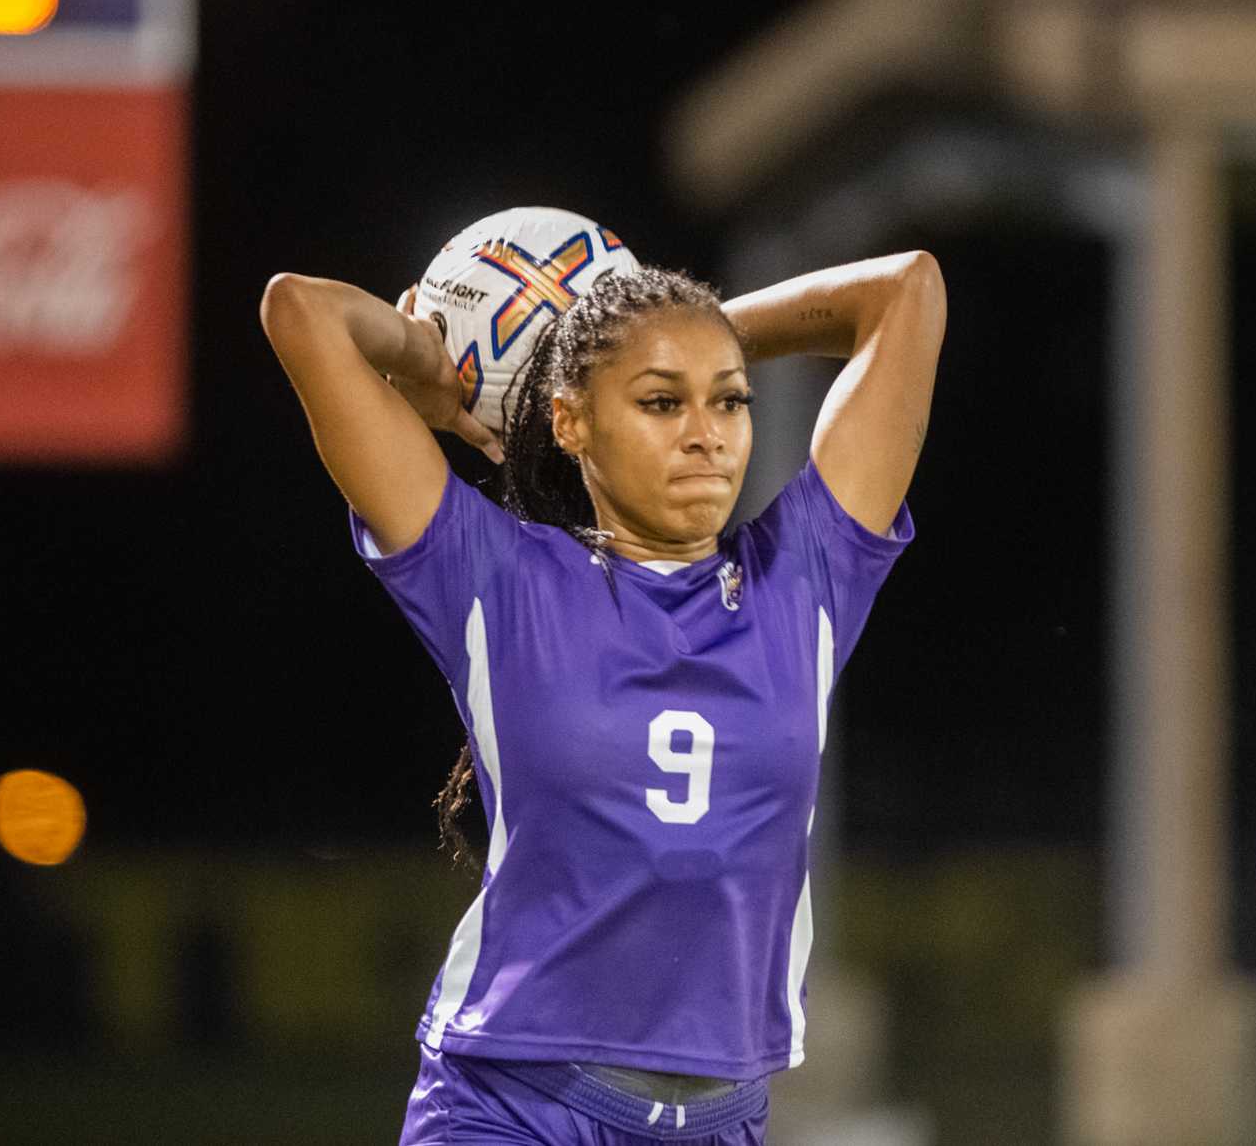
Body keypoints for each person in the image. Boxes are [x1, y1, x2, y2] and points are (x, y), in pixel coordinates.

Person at [260, 248, 944, 1145]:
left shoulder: (807, 578)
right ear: (570, 420)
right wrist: (429, 361)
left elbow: (907, 291)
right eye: (661, 401)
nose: (708, 432)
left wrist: (678, 331)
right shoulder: (498, 578)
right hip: (510, 1106)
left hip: (719, 1120)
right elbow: (301, 310)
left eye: (729, 397)